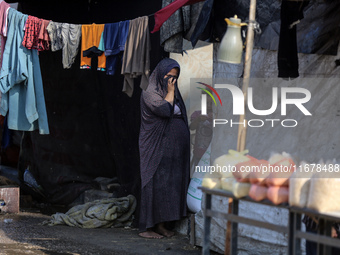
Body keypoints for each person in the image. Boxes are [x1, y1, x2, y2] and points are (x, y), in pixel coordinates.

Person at [138, 58, 190, 239]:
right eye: (169, 76)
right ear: (160, 74)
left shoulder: (174, 92)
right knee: (155, 184)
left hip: (174, 149)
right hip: (156, 146)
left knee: (168, 186)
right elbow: (165, 110)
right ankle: (146, 228)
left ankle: (161, 225)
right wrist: (170, 91)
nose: (172, 81)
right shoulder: (149, 92)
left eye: (175, 78)